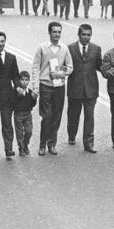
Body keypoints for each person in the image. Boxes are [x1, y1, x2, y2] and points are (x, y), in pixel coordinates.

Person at [31, 21, 74, 156]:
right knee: (46, 116)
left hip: (59, 87)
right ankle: (42, 144)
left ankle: (52, 144)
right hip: (46, 86)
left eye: (59, 32)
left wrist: (61, 73)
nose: (57, 34)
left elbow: (70, 67)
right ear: (49, 33)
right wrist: (35, 87)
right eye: (54, 32)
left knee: (56, 116)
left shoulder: (64, 48)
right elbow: (36, 68)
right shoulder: (42, 48)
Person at [66, 24, 102, 153]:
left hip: (91, 88)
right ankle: (71, 135)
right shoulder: (70, 48)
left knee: (89, 116)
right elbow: (66, 66)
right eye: (84, 34)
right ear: (79, 35)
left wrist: (111, 71)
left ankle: (89, 143)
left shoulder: (96, 49)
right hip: (75, 87)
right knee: (73, 114)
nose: (86, 37)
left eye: (88, 35)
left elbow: (100, 65)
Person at [13, 71, 37, 156]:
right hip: (18, 114)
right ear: (19, 80)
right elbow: (13, 102)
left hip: (27, 114)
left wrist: (34, 98)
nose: (24, 82)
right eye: (22, 80)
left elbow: (32, 104)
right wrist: (19, 95)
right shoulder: (16, 91)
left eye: (26, 80)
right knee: (19, 133)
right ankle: (21, 148)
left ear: (29, 81)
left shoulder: (30, 92)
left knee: (29, 131)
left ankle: (26, 144)